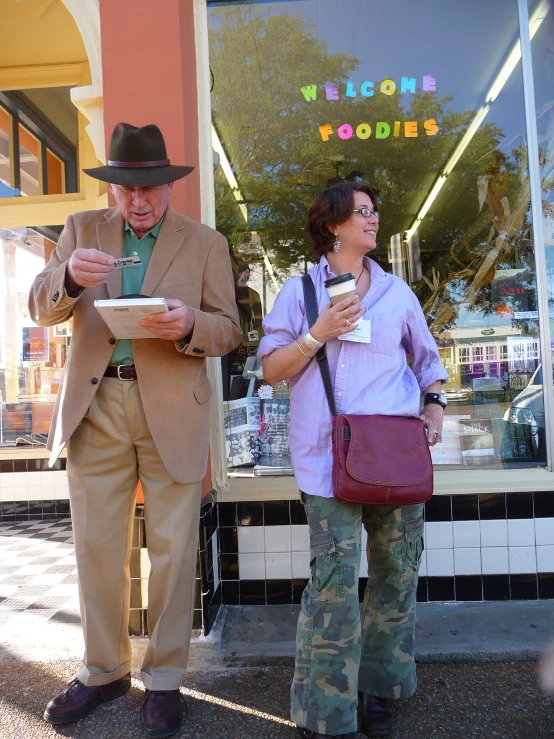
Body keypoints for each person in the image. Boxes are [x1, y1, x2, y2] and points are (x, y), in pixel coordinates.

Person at [28, 122, 241, 738]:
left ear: (169, 185)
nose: (137, 200)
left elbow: (228, 328)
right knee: (98, 546)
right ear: (112, 188)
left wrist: (190, 323)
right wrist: (68, 275)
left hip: (173, 404)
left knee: (173, 550)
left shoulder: (205, 242)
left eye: (148, 187)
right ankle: (103, 670)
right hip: (97, 406)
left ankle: (166, 677)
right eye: (125, 189)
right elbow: (40, 306)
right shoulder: (80, 231)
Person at [259, 182, 448, 739]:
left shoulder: (397, 294)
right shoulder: (298, 293)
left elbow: (427, 361)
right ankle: (325, 708)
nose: (373, 219)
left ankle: (381, 689)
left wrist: (434, 406)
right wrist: (317, 334)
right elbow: (272, 371)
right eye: (362, 213)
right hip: (325, 460)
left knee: (396, 573)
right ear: (334, 225)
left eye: (374, 212)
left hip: (394, 455)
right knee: (333, 585)